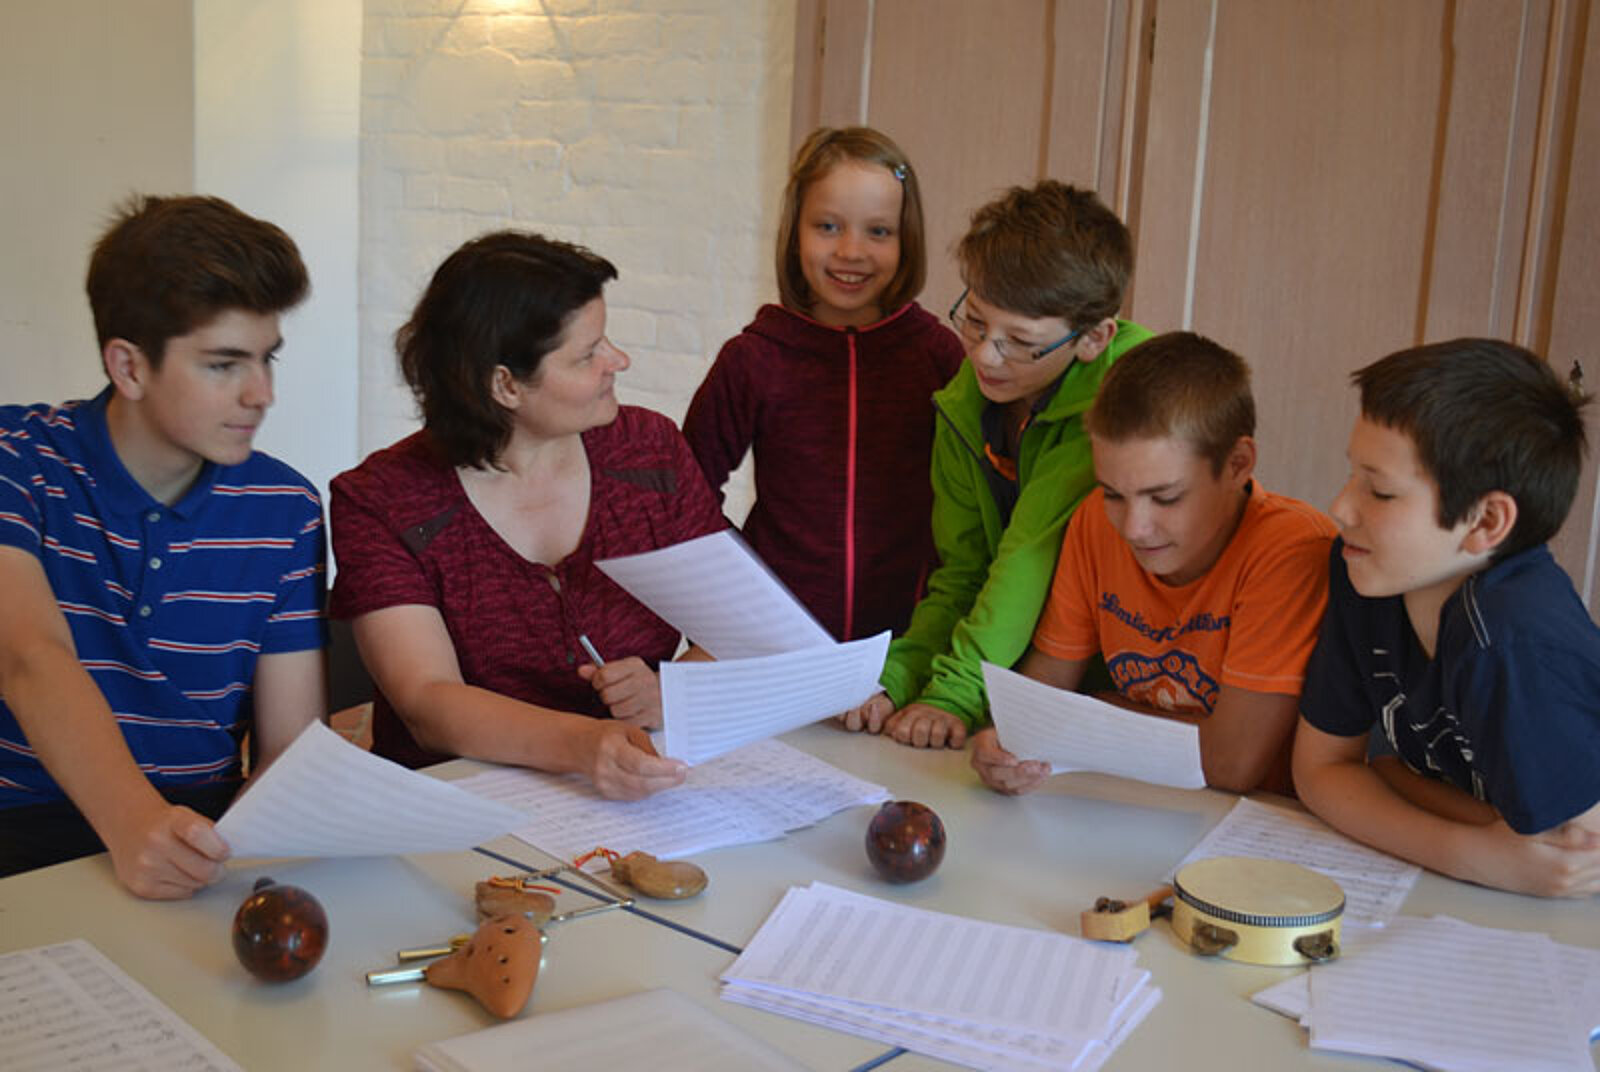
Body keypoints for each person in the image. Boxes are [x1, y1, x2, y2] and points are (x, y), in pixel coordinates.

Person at [0, 195, 326, 896]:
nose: (261, 394)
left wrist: (233, 853)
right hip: (22, 827)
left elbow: (291, 747)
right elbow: (28, 656)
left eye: (267, 359)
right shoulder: (15, 460)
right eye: (223, 364)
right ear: (129, 367)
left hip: (207, 828)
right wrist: (133, 822)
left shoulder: (287, 508)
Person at [329, 232, 725, 800]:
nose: (619, 361)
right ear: (505, 385)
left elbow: (737, 627)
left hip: (639, 795)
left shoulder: (649, 452)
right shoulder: (382, 500)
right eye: (588, 354)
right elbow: (428, 702)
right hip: (455, 804)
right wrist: (583, 744)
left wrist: (675, 690)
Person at [841, 180, 1153, 747]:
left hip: (1120, 688)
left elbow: (1027, 557)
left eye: (1020, 341)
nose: (985, 355)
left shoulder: (1122, 398)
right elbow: (962, 573)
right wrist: (895, 678)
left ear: (1093, 339)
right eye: (976, 322)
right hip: (1014, 670)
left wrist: (953, 695)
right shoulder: (965, 404)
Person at [1293, 339, 1600, 897]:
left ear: (1485, 522)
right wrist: (1470, 852)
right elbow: (1321, 771)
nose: (1340, 506)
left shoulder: (1512, 635)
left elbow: (1572, 853)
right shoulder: (1364, 570)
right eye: (1352, 475)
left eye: (1380, 491)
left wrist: (1393, 782)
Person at [970, 333, 1336, 795]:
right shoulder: (1094, 522)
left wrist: (1094, 708)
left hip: (1253, 815)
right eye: (1113, 494)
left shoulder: (1291, 550)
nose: (1134, 528)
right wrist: (1006, 743)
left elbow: (1231, 764)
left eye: (1166, 497)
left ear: (1238, 464)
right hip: (1130, 794)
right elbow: (1043, 695)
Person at [682, 127, 963, 641]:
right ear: (796, 232)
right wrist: (747, 586)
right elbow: (687, 490)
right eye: (828, 226)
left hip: (909, 645)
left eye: (879, 231)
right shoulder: (753, 358)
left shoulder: (938, 356)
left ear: (907, 239)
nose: (851, 251)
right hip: (775, 640)